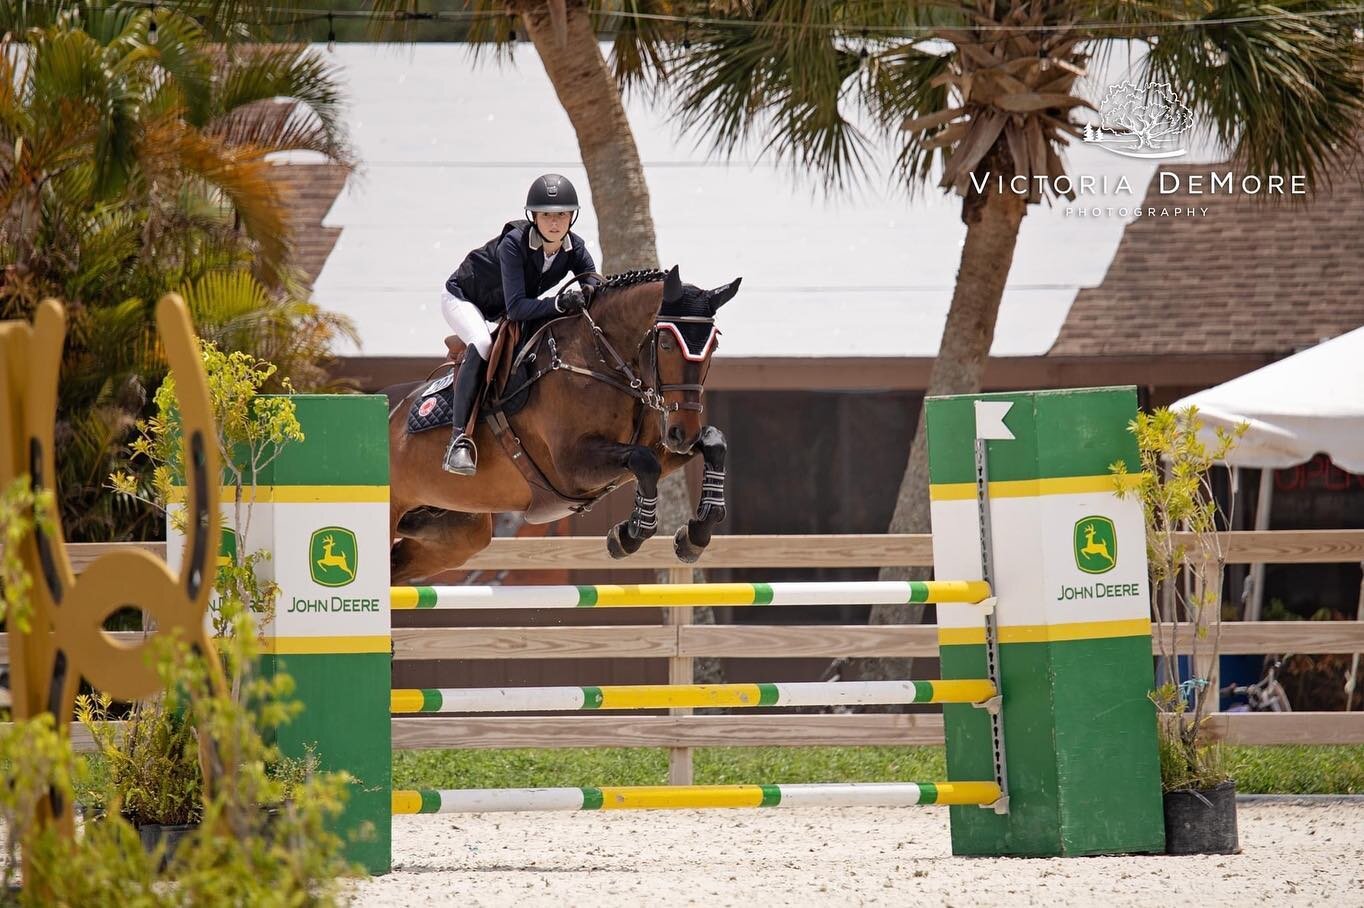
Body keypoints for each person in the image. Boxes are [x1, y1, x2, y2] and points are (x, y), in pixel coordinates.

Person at [438, 174, 602, 475]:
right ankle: (459, 440)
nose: (555, 223)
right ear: (534, 217)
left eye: (562, 214)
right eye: (547, 215)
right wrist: (558, 303)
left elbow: (593, 281)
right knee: (483, 344)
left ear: (572, 217)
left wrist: (590, 293)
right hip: (462, 297)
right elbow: (516, 308)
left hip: (501, 306)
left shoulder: (574, 247)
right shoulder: (514, 244)